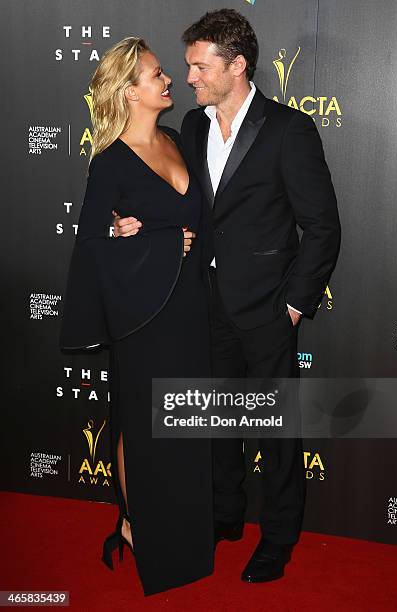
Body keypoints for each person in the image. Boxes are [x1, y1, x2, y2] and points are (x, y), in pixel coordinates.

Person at [114, 9, 341, 584]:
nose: (188, 76)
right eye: (187, 66)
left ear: (236, 66)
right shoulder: (190, 127)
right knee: (213, 423)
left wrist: (294, 303)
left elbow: (322, 227)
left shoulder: (289, 129)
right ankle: (225, 516)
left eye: (198, 65)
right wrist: (145, 227)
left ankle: (280, 536)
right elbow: (184, 204)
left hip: (267, 307)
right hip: (202, 302)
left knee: (276, 432)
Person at [60, 37, 215, 596]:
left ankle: (182, 530)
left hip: (189, 308)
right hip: (142, 317)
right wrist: (157, 238)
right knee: (143, 428)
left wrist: (152, 232)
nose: (168, 79)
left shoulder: (176, 139)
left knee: (183, 424)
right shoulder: (109, 165)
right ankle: (137, 524)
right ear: (130, 92)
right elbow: (94, 249)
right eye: (156, 75)